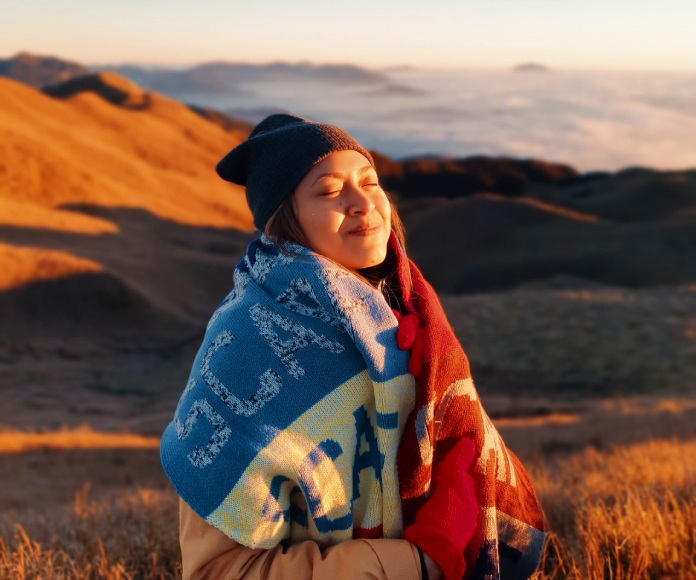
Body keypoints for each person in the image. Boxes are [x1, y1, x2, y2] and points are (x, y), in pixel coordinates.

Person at [160, 114, 546, 579]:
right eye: (328, 191)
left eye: (371, 181)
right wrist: (419, 560)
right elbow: (220, 572)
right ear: (287, 220)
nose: (363, 202)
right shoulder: (246, 346)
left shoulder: (411, 310)